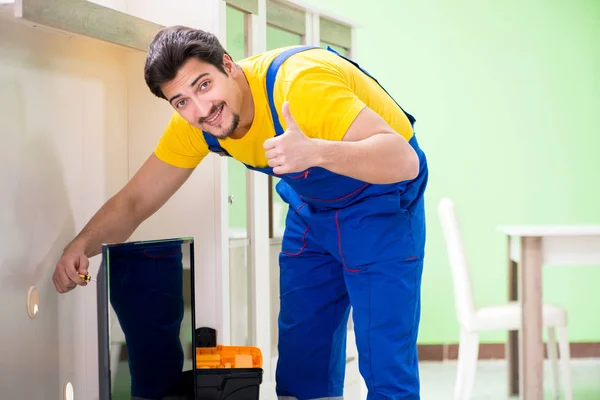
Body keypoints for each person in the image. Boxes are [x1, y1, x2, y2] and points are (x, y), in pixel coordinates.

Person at [52, 25, 428, 400]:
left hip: (383, 202)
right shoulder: (196, 125)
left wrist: (315, 152)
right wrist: (82, 245)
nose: (202, 110)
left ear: (229, 66)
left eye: (203, 85)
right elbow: (135, 201)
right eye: (180, 101)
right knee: (300, 367)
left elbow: (404, 160)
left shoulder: (300, 87)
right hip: (312, 210)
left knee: (385, 363)